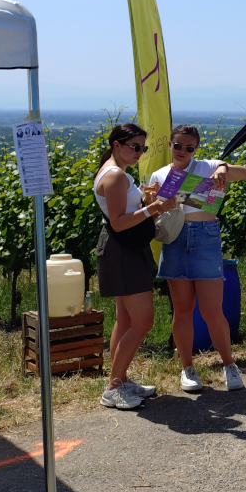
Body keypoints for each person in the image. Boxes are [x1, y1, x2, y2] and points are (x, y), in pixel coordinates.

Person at [147, 125, 246, 393]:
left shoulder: (208, 166)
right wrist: (154, 201)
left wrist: (223, 168)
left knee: (212, 310)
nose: (182, 151)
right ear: (170, 145)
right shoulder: (159, 174)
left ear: (196, 149)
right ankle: (187, 368)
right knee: (182, 310)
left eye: (189, 147)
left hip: (205, 236)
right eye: (178, 146)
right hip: (176, 238)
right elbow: (151, 210)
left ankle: (229, 365)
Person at [93, 123, 177, 409]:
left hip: (122, 248)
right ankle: (113, 388)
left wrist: (146, 202)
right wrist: (153, 208)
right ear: (116, 145)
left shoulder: (114, 171)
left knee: (126, 320)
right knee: (143, 321)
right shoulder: (115, 175)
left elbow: (123, 213)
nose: (140, 152)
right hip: (123, 251)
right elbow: (119, 222)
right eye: (135, 147)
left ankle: (121, 380)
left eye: (143, 147)